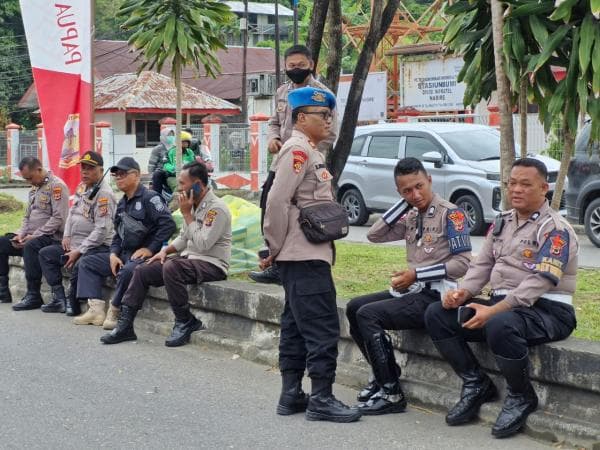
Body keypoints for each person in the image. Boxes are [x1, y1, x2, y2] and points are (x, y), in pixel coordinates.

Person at [424, 158, 578, 438]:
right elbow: (482, 265)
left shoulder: (556, 229)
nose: (516, 189)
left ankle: (521, 396)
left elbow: (540, 281)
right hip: (506, 307)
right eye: (512, 183)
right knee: (438, 314)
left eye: (525, 184)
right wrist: (463, 293)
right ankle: (476, 384)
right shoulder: (502, 222)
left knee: (500, 323)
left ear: (544, 188)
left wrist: (493, 312)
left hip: (549, 310)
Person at [261, 86, 360, 423]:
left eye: (330, 115)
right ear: (302, 118)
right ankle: (322, 397)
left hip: (303, 254)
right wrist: (274, 247)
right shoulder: (298, 152)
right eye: (323, 115)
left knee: (295, 324)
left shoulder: (308, 151)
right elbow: (276, 202)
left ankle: (291, 394)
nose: (329, 121)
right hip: (302, 255)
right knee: (322, 326)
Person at [345, 157, 472, 415]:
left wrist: (417, 274)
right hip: (414, 292)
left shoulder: (452, 214)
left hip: (437, 296)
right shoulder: (412, 215)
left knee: (368, 315)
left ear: (430, 181)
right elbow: (374, 235)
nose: (415, 194)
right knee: (353, 307)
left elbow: (462, 264)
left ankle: (391, 393)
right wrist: (404, 205)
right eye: (407, 191)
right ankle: (383, 375)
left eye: (419, 187)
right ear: (399, 193)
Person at [100, 161, 231, 346]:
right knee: (143, 269)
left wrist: (186, 215)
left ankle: (184, 320)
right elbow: (185, 237)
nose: (179, 188)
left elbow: (203, 244)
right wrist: (164, 251)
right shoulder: (193, 204)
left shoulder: (216, 209)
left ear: (198, 184)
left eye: (182, 184)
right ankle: (125, 325)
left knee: (171, 267)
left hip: (212, 263)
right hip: (189, 259)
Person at [248, 44, 338, 285]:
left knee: (299, 212)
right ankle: (274, 261)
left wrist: (306, 151)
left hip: (305, 162)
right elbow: (274, 122)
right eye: (291, 66)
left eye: (300, 65)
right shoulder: (282, 92)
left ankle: (291, 260)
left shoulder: (321, 95)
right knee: (269, 205)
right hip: (281, 161)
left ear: (311, 64)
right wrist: (273, 139)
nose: (295, 69)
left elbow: (329, 133)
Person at [75, 157, 176, 329]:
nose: (118, 178)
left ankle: (115, 310)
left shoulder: (150, 198)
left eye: (123, 174)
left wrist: (150, 248)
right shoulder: (122, 203)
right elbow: (117, 235)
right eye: (116, 175)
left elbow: (169, 224)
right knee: (87, 262)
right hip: (123, 253)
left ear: (136, 175)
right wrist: (113, 254)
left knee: (130, 270)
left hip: (142, 256)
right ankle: (96, 310)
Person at [37, 151, 116, 315]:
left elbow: (102, 230)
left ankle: (72, 302)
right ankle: (59, 298)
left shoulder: (104, 194)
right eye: (83, 168)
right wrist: (67, 235)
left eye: (90, 168)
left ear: (101, 170)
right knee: (46, 254)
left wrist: (79, 250)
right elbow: (72, 213)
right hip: (74, 243)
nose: (85, 172)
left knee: (81, 263)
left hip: (95, 247)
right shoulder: (84, 188)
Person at [0, 157, 68, 310]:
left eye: (30, 178)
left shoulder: (57, 186)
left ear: (39, 169)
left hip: (51, 238)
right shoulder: (34, 189)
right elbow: (26, 217)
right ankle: (3, 290)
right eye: (26, 179)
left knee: (31, 245)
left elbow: (58, 218)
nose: (29, 182)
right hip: (30, 237)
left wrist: (34, 235)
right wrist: (21, 234)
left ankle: (33, 295)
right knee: (3, 242)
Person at [152, 131, 196, 201]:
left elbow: (194, 163)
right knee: (179, 187)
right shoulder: (170, 152)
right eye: (183, 142)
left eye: (187, 142)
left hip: (188, 176)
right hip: (173, 176)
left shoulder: (190, 152)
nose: (185, 143)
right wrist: (174, 169)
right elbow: (166, 164)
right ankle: (173, 206)